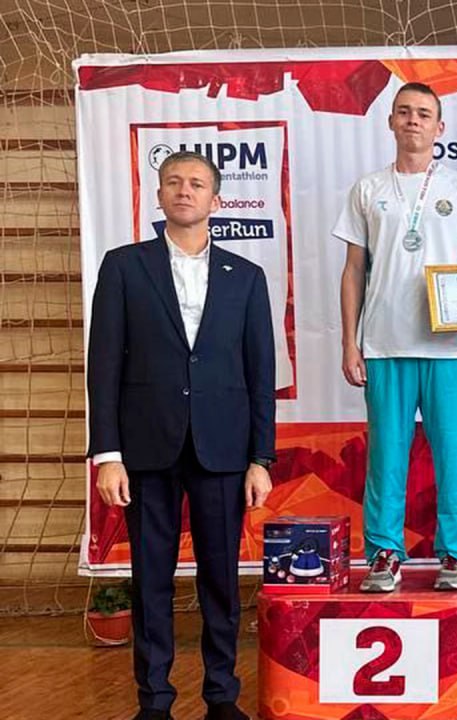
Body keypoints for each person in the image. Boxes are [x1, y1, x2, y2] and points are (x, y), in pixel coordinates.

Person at [87, 150, 276, 720]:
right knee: (151, 580)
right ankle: (154, 701)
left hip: (224, 450)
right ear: (159, 195)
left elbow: (260, 373)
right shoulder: (124, 266)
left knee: (221, 580)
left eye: (196, 183)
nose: (184, 190)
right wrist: (108, 454)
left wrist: (261, 457)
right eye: (173, 182)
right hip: (146, 448)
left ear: (216, 199)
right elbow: (103, 366)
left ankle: (222, 696)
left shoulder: (246, 277)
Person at [335, 82, 457, 592]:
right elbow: (353, 270)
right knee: (386, 457)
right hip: (384, 343)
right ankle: (384, 553)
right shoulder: (367, 189)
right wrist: (350, 342)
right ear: (391, 122)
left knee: (454, 456)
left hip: (447, 346)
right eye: (404, 112)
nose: (413, 121)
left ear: (439, 127)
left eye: (424, 114)